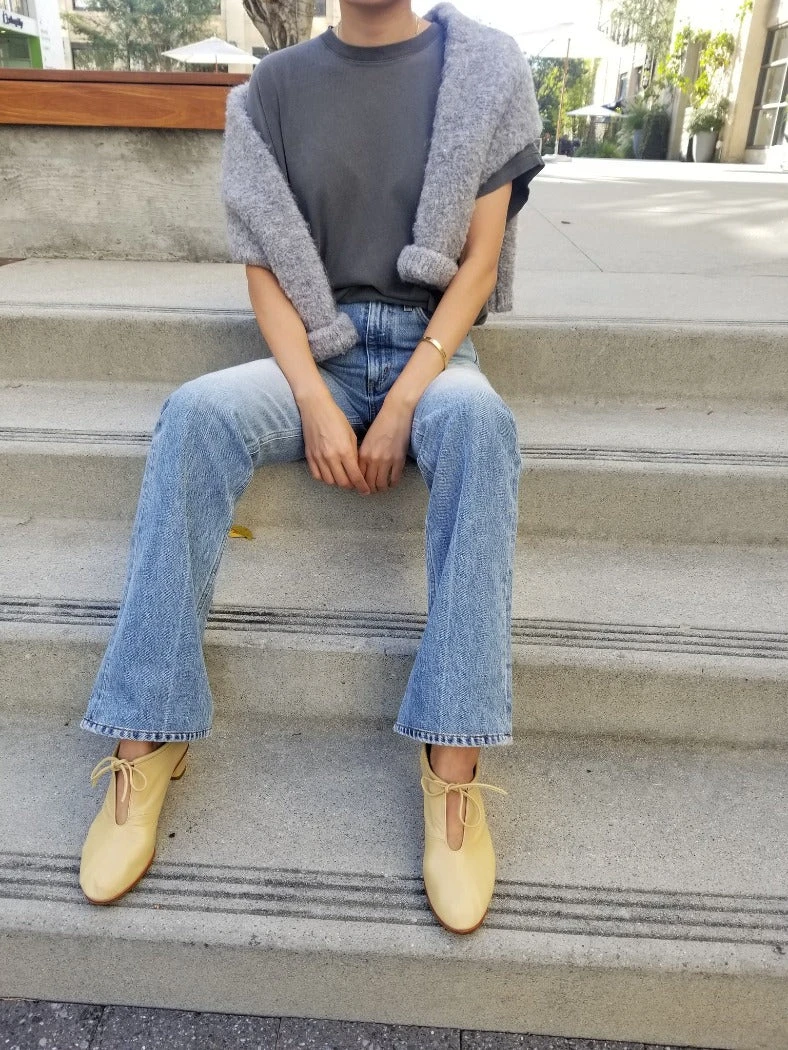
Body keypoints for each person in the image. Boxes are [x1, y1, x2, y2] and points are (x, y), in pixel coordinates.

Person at [78, 0, 543, 935]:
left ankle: (454, 766)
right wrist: (316, 400)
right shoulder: (273, 90)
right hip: (314, 351)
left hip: (434, 351)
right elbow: (263, 266)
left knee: (481, 428)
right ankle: (146, 737)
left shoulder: (486, 69)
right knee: (195, 415)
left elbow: (481, 262)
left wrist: (405, 397)